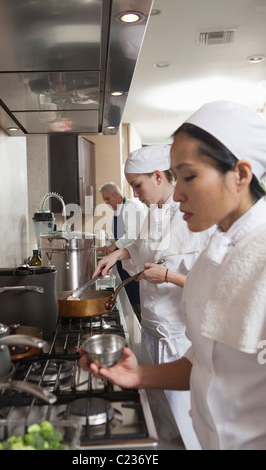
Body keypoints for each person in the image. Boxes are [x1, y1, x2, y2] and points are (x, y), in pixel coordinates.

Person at [80, 100, 266, 450]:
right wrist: (139, 375)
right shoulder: (218, 252)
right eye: (176, 178)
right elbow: (205, 361)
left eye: (189, 177)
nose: (176, 194)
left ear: (240, 175)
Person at [93, 146, 215, 449]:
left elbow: (213, 286)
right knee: (159, 418)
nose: (134, 194)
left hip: (179, 341)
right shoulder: (153, 213)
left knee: (182, 424)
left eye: (137, 185)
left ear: (158, 176)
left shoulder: (195, 219)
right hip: (151, 331)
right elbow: (140, 247)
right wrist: (119, 254)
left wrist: (168, 276)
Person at [97, 182, 147, 318]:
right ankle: (133, 317)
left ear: (117, 195)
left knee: (136, 298)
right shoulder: (116, 212)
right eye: (104, 200)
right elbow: (115, 236)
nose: (106, 202)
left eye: (107, 198)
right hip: (122, 262)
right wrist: (107, 245)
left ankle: (137, 321)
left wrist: (114, 246)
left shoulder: (132, 208)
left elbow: (132, 234)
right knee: (128, 296)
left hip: (133, 263)